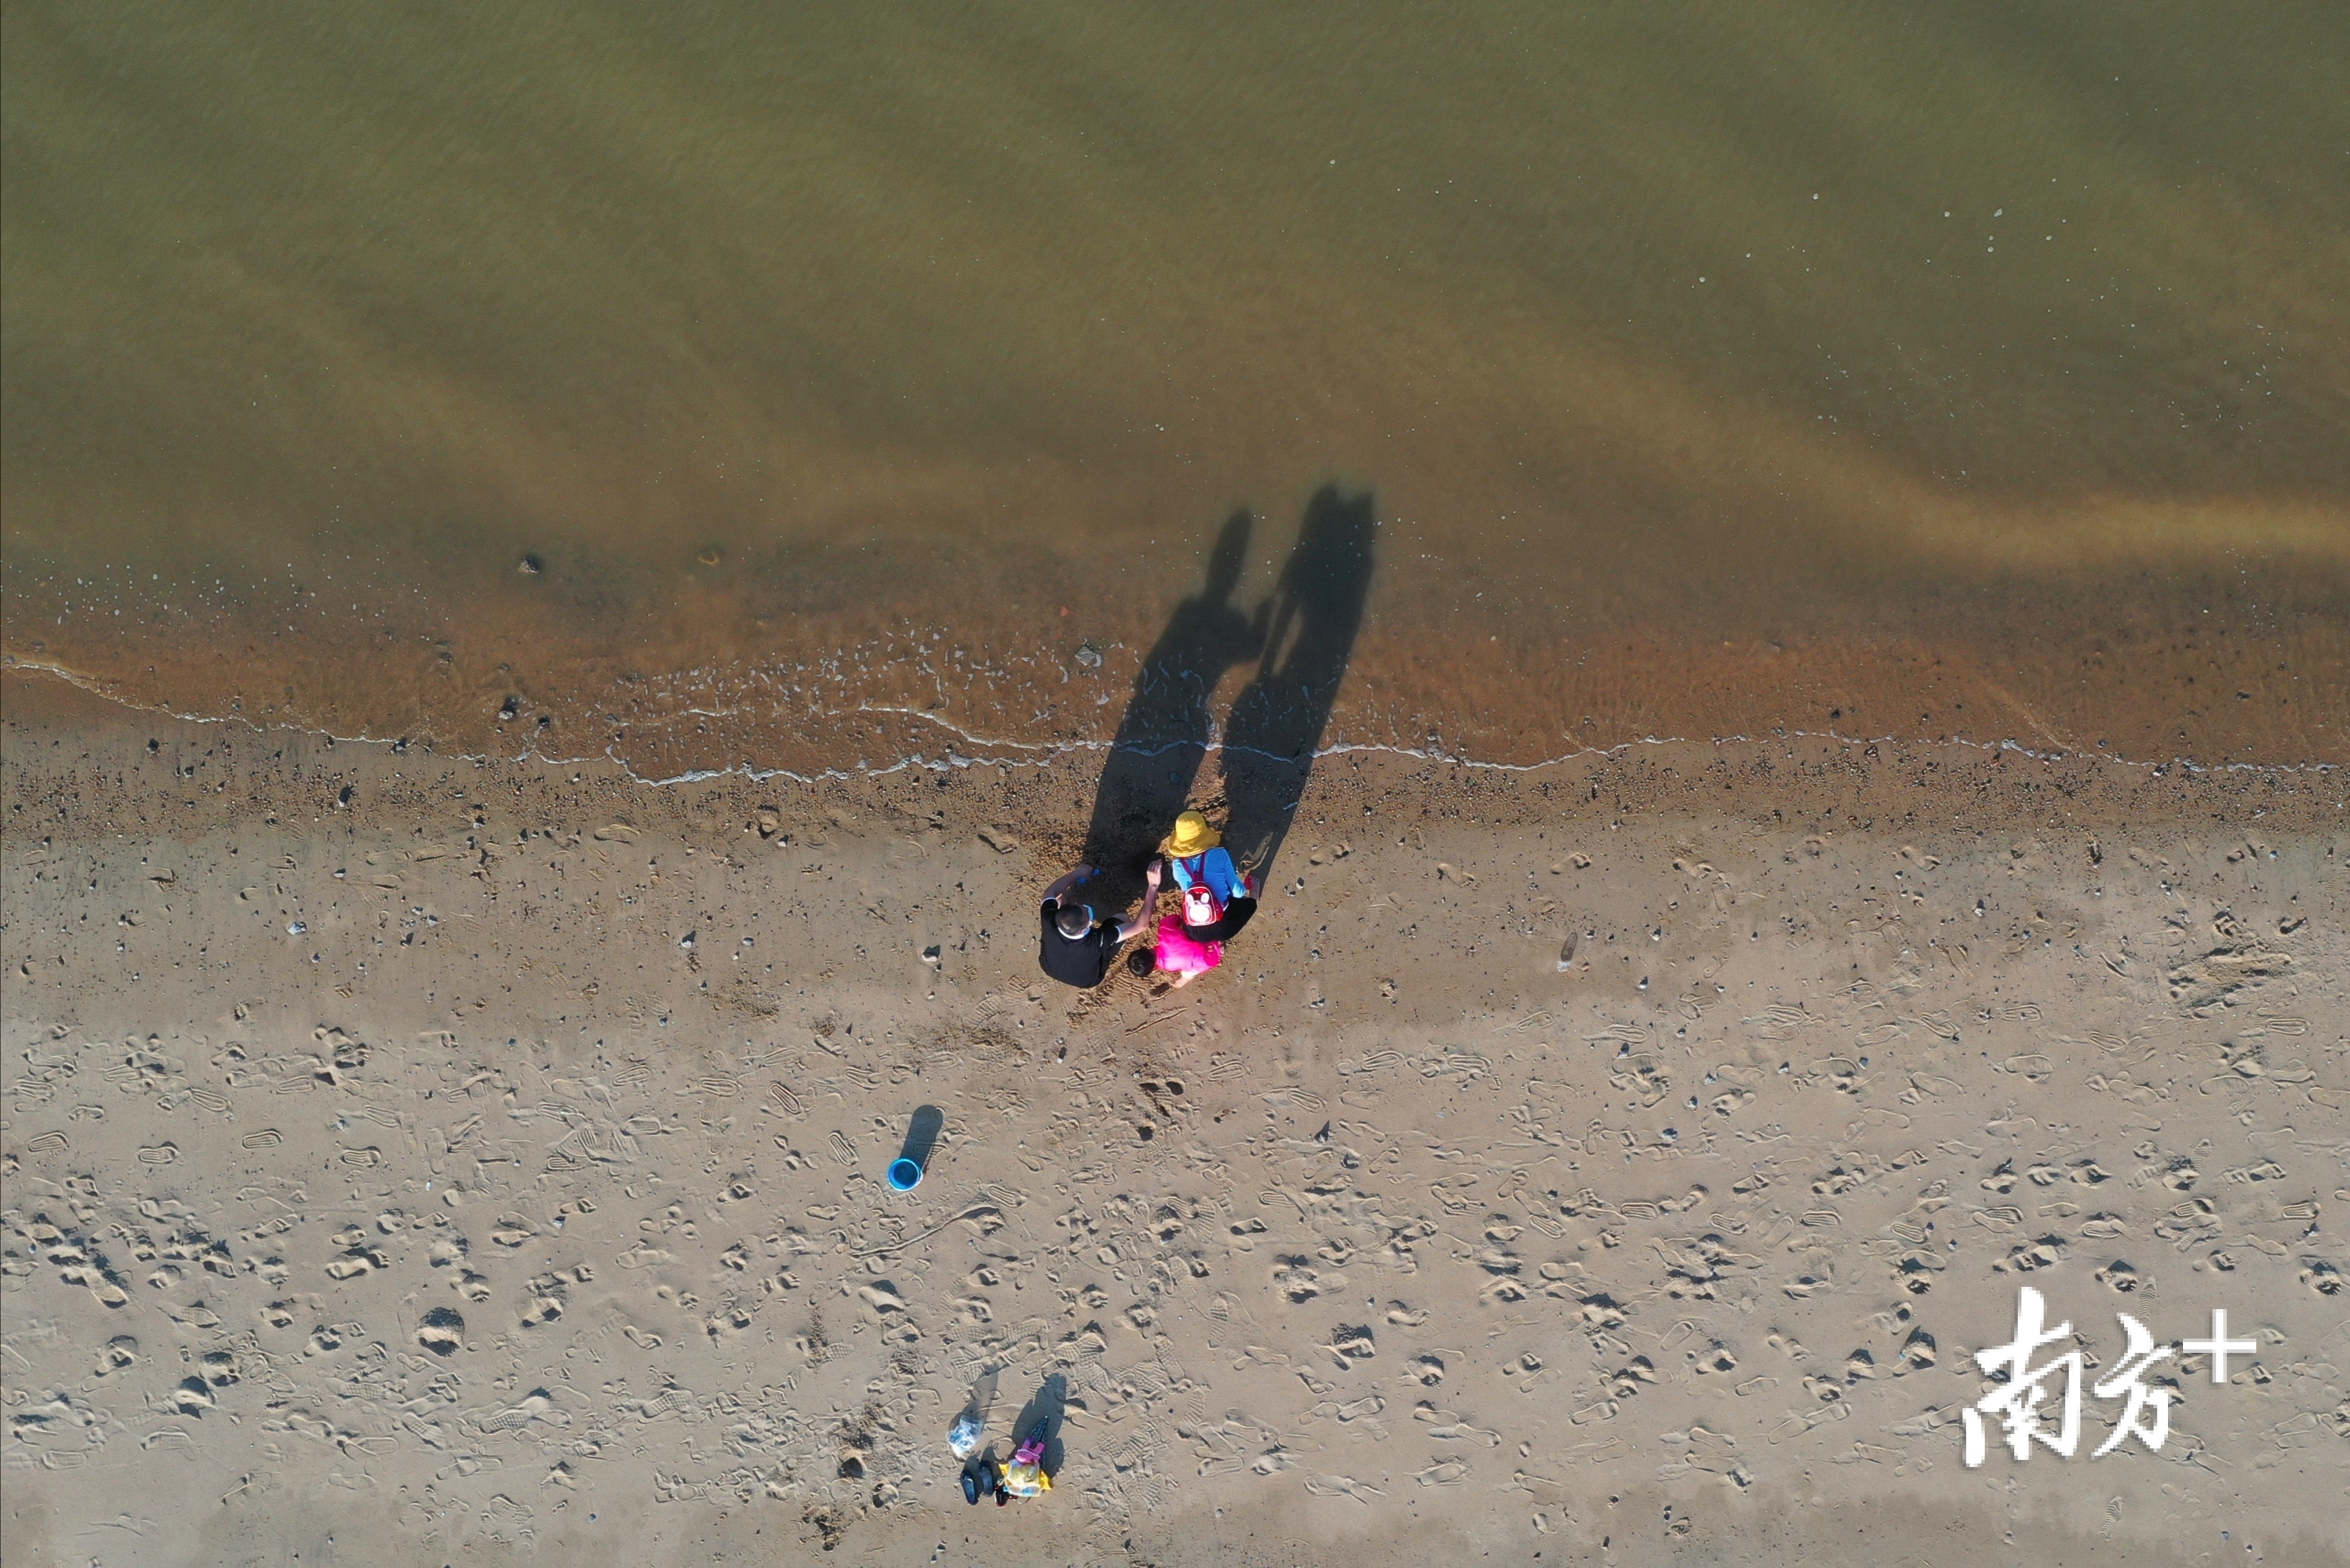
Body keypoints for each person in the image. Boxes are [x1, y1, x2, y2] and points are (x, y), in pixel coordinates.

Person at [1146, 811, 1258, 988]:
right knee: (1248, 904)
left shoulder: (1178, 865)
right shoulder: (1219, 855)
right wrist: (1245, 888)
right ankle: (1256, 892)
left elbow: (1188, 892)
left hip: (1195, 929)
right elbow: (1237, 893)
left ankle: (1210, 948)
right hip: (1222, 919)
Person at [1037, 863, 1153, 989]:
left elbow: (1050, 892)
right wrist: (1153, 886)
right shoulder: (1096, 941)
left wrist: (1078, 873)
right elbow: (1141, 925)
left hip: (1049, 967)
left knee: (1058, 898)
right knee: (1122, 920)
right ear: (1085, 929)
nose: (1086, 908)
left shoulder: (1048, 920)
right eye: (1087, 913)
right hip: (1087, 980)